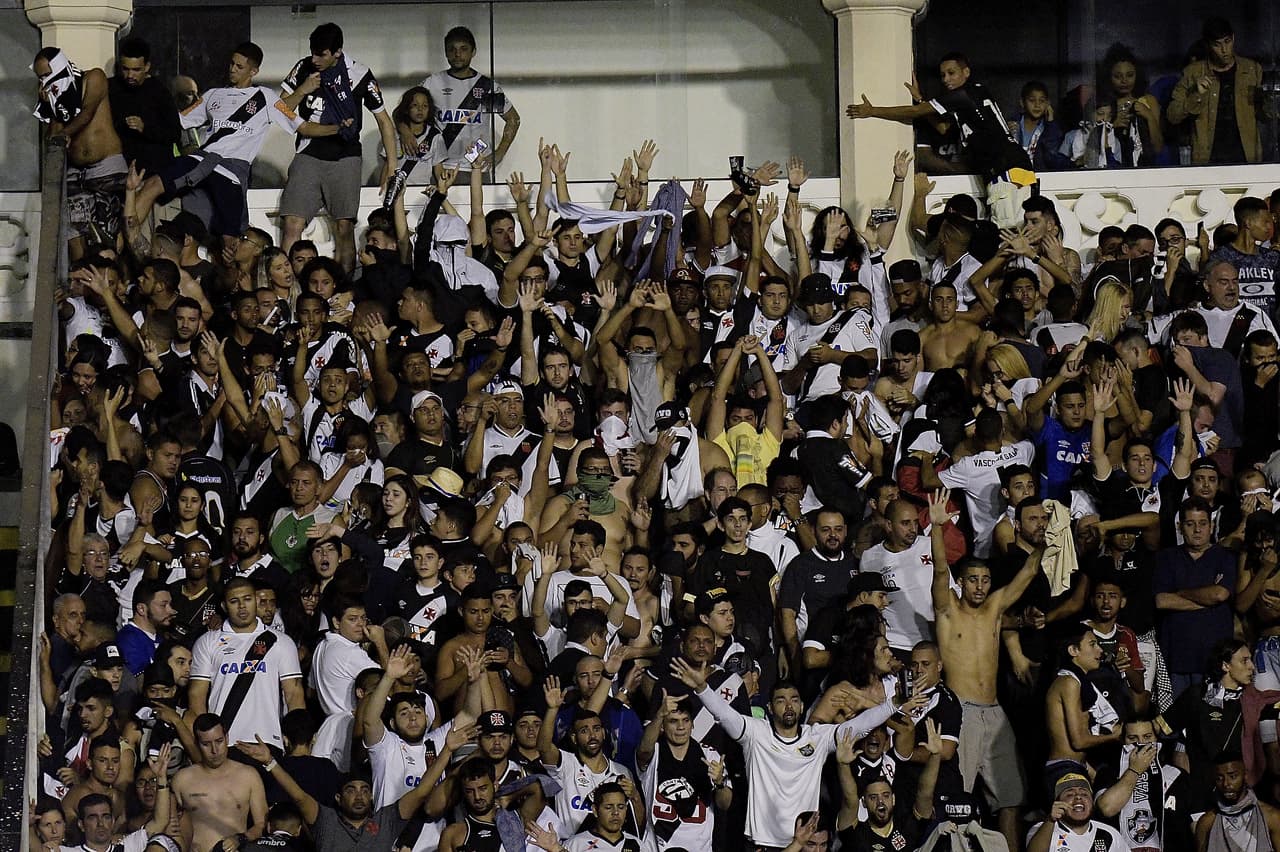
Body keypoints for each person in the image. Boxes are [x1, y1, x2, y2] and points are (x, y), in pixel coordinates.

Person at [669, 655, 923, 849]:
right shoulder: (756, 733)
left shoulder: (818, 737)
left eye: (793, 700)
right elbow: (725, 715)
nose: (788, 705)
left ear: (802, 706)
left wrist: (894, 703)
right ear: (769, 707)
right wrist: (702, 688)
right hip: (763, 843)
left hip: (806, 843)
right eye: (781, 700)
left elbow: (858, 725)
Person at [847, 52, 1033, 226]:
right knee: (1016, 228)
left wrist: (872, 111)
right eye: (943, 75)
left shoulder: (963, 94)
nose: (946, 79)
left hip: (1006, 171)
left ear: (966, 72)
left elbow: (914, 112)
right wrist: (921, 99)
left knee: (1008, 231)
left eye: (951, 73)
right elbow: (942, 127)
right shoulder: (975, 93)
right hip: (1014, 167)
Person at [278, 23, 399, 272]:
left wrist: (392, 165)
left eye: (321, 54)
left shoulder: (360, 74)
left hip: (345, 157)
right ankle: (292, 289)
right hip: (308, 153)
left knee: (344, 226)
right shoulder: (304, 68)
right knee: (292, 223)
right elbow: (279, 109)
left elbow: (384, 121)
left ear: (337, 52)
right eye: (313, 52)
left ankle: (342, 290)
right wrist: (302, 90)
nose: (315, 59)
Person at [189, 577, 305, 752]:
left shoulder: (282, 642)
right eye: (234, 601)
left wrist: (297, 744)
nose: (242, 606)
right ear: (224, 606)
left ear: (256, 601)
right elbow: (197, 696)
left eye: (247, 599)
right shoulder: (207, 642)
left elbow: (294, 695)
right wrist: (205, 742)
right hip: (223, 744)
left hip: (268, 741)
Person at [33, 47, 126, 258]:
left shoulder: (94, 77)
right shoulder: (54, 96)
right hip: (75, 173)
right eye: (40, 78)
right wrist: (51, 107)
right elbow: (52, 140)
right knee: (76, 241)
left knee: (107, 241)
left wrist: (65, 134)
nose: (45, 81)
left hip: (106, 168)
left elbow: (87, 113)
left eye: (47, 74)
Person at [422, 26, 521, 170]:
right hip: (440, 168)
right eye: (452, 49)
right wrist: (406, 134)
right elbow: (403, 112)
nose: (457, 54)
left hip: (476, 168)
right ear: (446, 52)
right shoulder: (433, 83)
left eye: (463, 49)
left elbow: (513, 119)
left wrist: (499, 153)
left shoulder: (486, 87)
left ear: (473, 52)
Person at [1167, 17, 1263, 165]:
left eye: (1227, 41)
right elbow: (1172, 115)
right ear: (1208, 45)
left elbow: (1265, 115)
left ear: (1233, 38)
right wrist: (1196, 96)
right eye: (1217, 45)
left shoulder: (1252, 70)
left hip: (1247, 158)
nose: (1224, 50)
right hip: (1207, 160)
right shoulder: (1192, 73)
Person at [109, 37, 180, 176]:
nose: (130, 75)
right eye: (125, 69)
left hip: (153, 169)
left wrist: (144, 128)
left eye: (136, 70)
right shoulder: (111, 87)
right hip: (119, 167)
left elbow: (174, 133)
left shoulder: (160, 92)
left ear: (147, 67)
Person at [1027, 773, 1128, 852]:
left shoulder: (1109, 833)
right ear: (1058, 803)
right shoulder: (1043, 829)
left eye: (1084, 794)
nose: (1078, 797)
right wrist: (1050, 820)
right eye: (1069, 794)